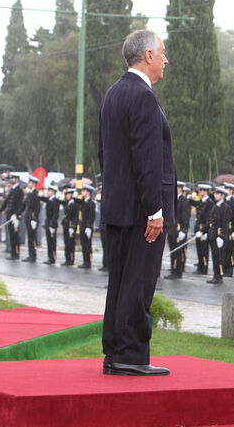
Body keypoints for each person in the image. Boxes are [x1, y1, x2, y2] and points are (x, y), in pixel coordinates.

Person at [99, 29, 174, 377]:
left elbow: (106, 156)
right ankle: (131, 354)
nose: (165, 59)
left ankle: (115, 352)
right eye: (162, 52)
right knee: (138, 284)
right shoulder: (142, 96)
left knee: (119, 284)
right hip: (141, 212)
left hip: (117, 206)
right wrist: (154, 210)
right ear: (147, 55)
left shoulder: (113, 94)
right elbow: (147, 158)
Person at [164, 182, 190, 280]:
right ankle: (173, 270)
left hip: (179, 230)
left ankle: (177, 272)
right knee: (172, 251)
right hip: (172, 229)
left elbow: (185, 216)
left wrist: (184, 230)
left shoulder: (184, 200)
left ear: (179, 189)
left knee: (177, 252)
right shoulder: (173, 199)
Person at [0, 174, 24, 260]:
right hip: (9, 215)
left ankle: (16, 253)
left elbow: (20, 205)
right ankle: (13, 253)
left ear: (17, 179)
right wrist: (0, 211)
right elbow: (7, 201)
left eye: (13, 178)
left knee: (15, 235)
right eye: (11, 178)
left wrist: (16, 214)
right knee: (11, 235)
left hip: (15, 216)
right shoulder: (12, 189)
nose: (11, 180)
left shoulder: (20, 190)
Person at [78, 186, 96, 269]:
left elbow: (91, 216)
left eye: (83, 191)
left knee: (87, 245)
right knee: (83, 244)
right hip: (82, 226)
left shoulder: (91, 203)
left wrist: (89, 226)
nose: (82, 192)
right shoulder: (83, 202)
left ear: (88, 192)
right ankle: (85, 261)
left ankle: (88, 262)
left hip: (87, 227)